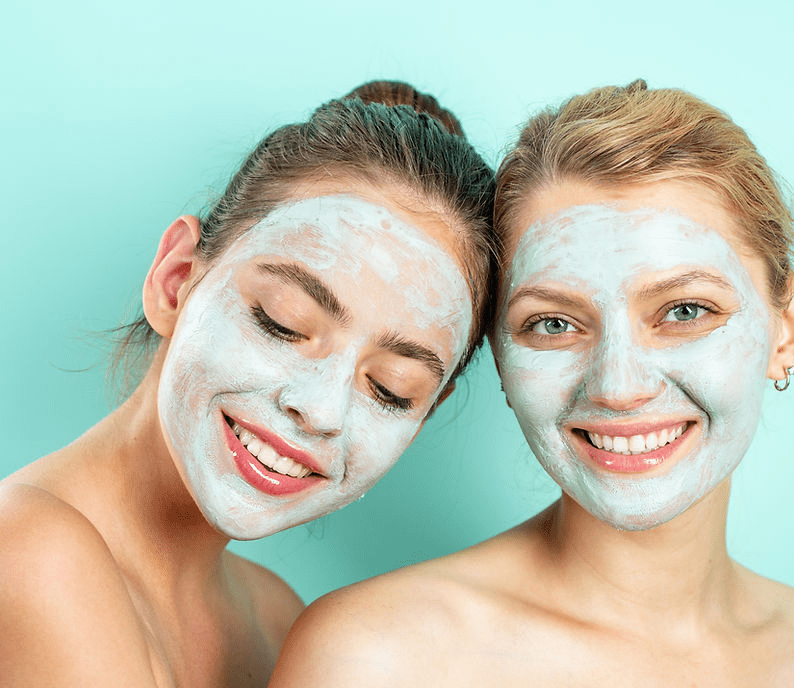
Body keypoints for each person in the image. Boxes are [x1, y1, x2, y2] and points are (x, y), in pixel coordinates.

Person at [269, 80, 794, 687]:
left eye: (684, 311)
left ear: (782, 335)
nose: (619, 387)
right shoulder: (378, 659)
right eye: (553, 323)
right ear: (498, 355)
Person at [0, 80, 495, 687]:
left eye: (391, 389)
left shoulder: (273, 618)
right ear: (175, 280)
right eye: (282, 323)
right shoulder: (26, 550)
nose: (320, 409)